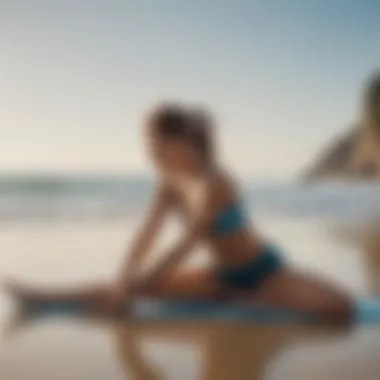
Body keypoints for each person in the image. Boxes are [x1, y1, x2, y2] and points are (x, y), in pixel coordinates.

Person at [3, 102, 353, 324]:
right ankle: (42, 296)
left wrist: (132, 292)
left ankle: (248, 298)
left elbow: (185, 245)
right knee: (127, 285)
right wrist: (127, 280)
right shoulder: (168, 182)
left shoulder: (215, 182)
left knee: (341, 310)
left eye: (155, 144)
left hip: (262, 272)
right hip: (218, 275)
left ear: (184, 141)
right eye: (147, 145)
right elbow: (146, 235)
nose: (150, 153)